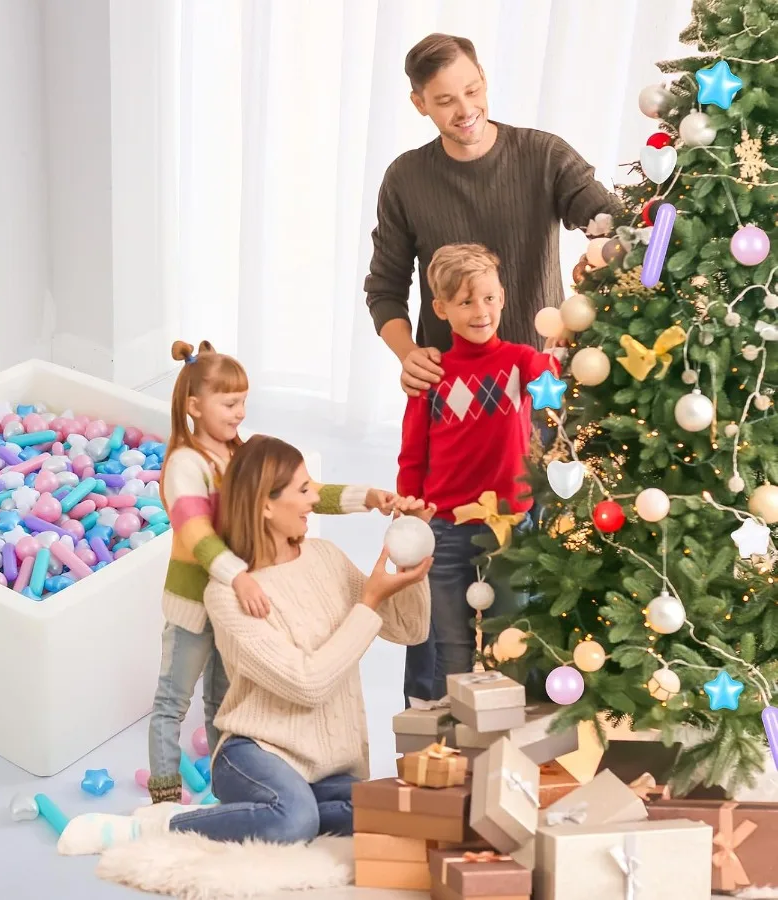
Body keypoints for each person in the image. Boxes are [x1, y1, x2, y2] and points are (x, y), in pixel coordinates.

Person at [58, 435, 433, 854]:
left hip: (327, 764)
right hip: (256, 753)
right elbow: (307, 682)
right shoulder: (228, 596)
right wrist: (370, 601)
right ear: (266, 505)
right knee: (295, 821)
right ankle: (165, 826)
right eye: (304, 490)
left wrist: (410, 565)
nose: (315, 500)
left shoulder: (326, 556)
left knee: (385, 814)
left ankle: (284, 807)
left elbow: (409, 631)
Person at [147, 341, 401, 804]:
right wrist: (239, 577)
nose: (241, 412)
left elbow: (301, 491)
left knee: (224, 699)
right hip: (199, 600)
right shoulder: (185, 464)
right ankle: (163, 800)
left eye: (244, 400)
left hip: (236, 605)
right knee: (172, 700)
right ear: (194, 406)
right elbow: (195, 533)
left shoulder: (237, 454)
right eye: (230, 403)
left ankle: (232, 787)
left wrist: (365, 496)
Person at [365, 32, 618, 398]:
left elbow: (618, 226)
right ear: (419, 103)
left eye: (471, 90)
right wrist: (410, 355)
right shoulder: (405, 179)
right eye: (445, 101)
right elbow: (384, 289)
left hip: (542, 383)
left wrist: (596, 273)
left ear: (483, 77)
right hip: (453, 391)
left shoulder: (545, 156)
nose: (466, 110)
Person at [396, 243, 561, 703]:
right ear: (442, 308)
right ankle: (455, 755)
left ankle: (507, 754)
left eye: (488, 298)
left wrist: (565, 347)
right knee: (452, 650)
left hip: (510, 525)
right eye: (466, 302)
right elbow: (412, 457)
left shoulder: (521, 361)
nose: (480, 311)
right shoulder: (431, 376)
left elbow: (556, 388)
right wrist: (410, 519)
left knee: (511, 643)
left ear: (503, 297)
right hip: (445, 531)